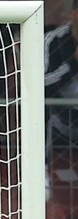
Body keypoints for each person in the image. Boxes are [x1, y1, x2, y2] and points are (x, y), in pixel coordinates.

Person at [44, 0, 78, 152]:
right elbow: (40, 87)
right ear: (73, 13)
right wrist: (72, 63)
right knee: (39, 108)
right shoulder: (54, 40)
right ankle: (42, 163)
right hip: (60, 117)